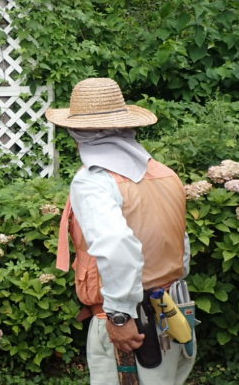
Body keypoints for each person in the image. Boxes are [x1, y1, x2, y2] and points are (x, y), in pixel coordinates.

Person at [48, 78, 194, 385]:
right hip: (173, 310)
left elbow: (116, 246)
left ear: (78, 133)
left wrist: (120, 315)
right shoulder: (164, 173)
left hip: (133, 324)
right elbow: (181, 246)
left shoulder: (93, 181)